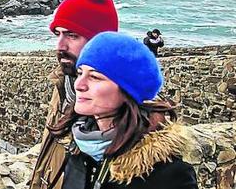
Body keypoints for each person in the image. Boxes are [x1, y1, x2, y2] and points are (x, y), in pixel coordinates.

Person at [48, 32, 198, 189]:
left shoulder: (168, 175)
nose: (79, 85)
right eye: (80, 73)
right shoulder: (80, 149)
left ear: (128, 91)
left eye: (95, 77)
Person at [29, 0, 118, 189]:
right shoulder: (65, 84)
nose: (60, 45)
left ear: (100, 41)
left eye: (72, 35)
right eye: (58, 34)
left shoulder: (124, 105)